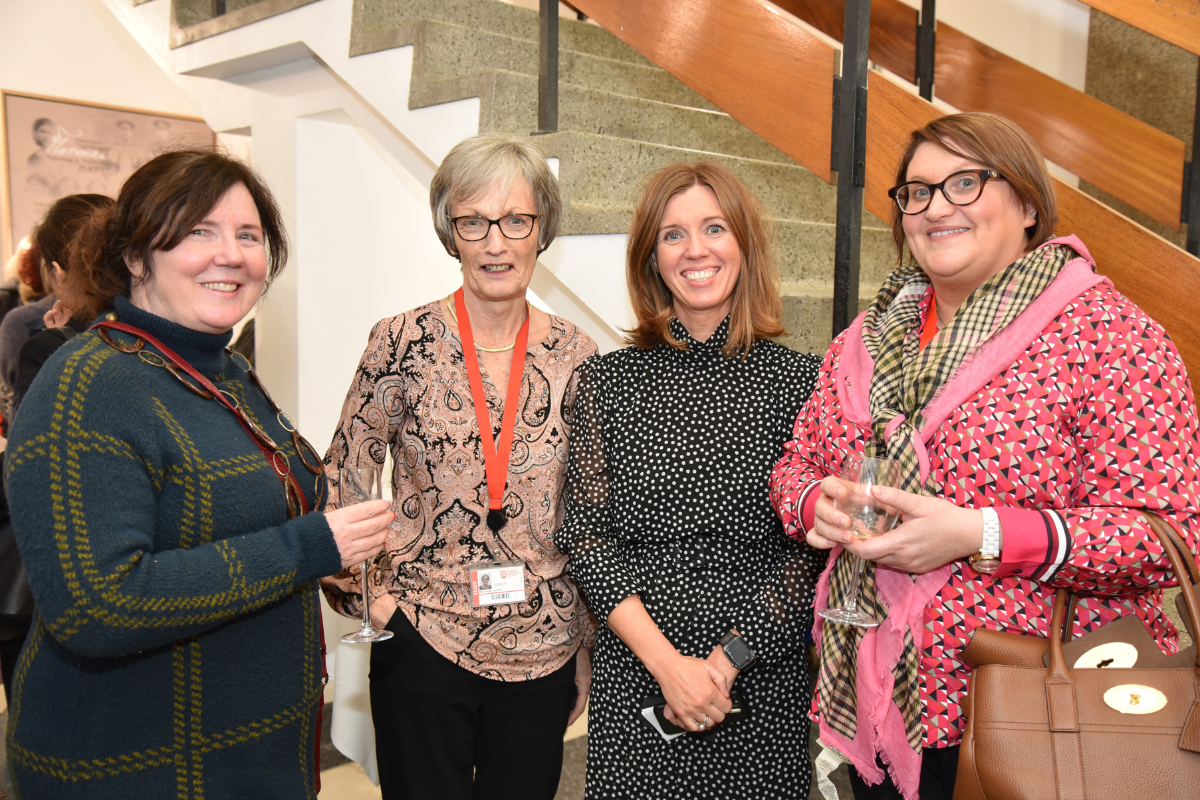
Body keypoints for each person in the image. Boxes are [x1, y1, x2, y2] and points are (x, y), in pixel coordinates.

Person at [769, 111, 1200, 800]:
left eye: (964, 183)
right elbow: (796, 464)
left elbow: (1169, 533)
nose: (936, 207)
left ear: (1028, 202)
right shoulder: (866, 339)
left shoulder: (1108, 335)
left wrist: (981, 534)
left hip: (1044, 715)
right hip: (879, 703)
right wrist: (813, 503)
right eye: (917, 191)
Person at [4, 149, 395, 799]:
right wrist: (309, 547)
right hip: (137, 768)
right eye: (199, 232)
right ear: (134, 256)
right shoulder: (88, 385)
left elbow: (235, 514)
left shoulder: (220, 367)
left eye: (248, 235)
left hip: (248, 758)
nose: (232, 254)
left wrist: (317, 549)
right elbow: (100, 604)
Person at [320, 132, 598, 800]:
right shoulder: (401, 340)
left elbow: (592, 508)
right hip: (423, 639)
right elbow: (343, 480)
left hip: (542, 646)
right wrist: (379, 605)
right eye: (474, 221)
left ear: (541, 230)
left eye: (515, 221)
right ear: (451, 231)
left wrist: (585, 642)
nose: (495, 243)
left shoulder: (576, 352)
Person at [558, 162, 824, 798]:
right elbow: (589, 538)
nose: (696, 250)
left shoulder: (805, 383)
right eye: (674, 235)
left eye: (714, 228)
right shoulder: (606, 382)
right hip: (640, 671)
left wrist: (723, 664)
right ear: (652, 257)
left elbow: (808, 547)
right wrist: (668, 667)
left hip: (762, 673)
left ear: (744, 247)